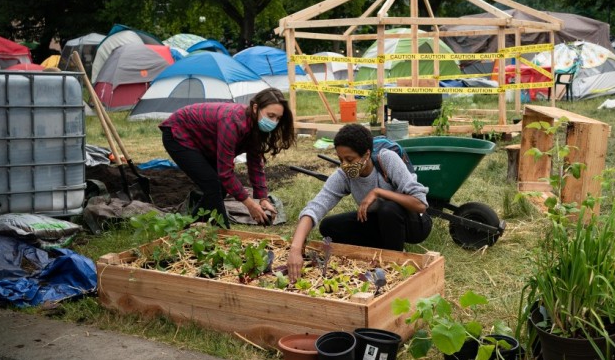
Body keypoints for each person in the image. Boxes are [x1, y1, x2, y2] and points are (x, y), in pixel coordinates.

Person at [287, 124, 432, 282]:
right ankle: (381, 249)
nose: (345, 165)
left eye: (350, 159)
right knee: (329, 226)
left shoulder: (387, 159)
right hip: (381, 222)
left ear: (366, 154)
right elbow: (316, 206)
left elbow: (420, 204)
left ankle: (393, 262)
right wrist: (295, 247)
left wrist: (378, 192)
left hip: (414, 223)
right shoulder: (344, 175)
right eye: (341, 159)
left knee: (388, 208)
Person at [159, 88, 296, 227]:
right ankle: (221, 229)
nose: (274, 122)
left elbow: (255, 163)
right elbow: (225, 173)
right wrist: (249, 205)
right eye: (271, 115)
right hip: (178, 133)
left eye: (278, 118)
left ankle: (194, 227)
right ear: (255, 108)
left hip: (205, 141)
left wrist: (262, 198)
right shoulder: (232, 122)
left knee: (221, 188)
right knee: (213, 184)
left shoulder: (255, 127)